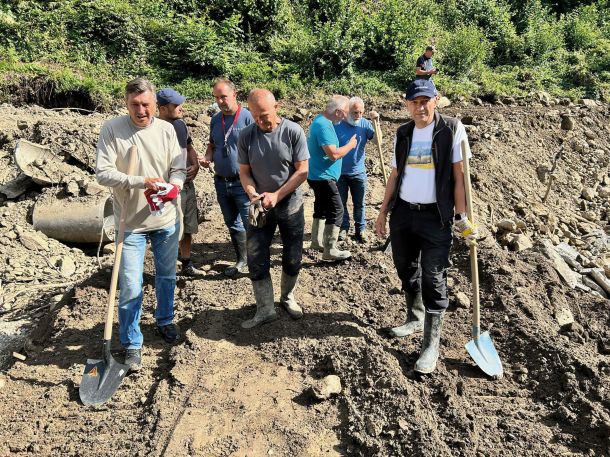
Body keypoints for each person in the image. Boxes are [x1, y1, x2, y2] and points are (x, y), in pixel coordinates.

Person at [375, 79, 477, 374]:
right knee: (405, 268)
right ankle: (414, 316)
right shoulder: (403, 132)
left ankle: (431, 344)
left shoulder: (451, 129)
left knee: (433, 277)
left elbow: (460, 177)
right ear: (406, 104)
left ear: (436, 100)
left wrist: (461, 216)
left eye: (425, 101)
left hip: (436, 217)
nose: (420, 107)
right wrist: (383, 212)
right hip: (404, 213)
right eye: (414, 102)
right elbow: (394, 175)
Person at [96, 78, 186, 371]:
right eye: (135, 104)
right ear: (126, 104)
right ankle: (132, 343)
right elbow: (103, 174)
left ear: (154, 105)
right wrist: (138, 182)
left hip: (165, 219)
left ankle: (165, 320)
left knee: (166, 276)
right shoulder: (113, 130)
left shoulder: (167, 130)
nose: (141, 110)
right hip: (131, 223)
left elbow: (178, 167)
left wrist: (174, 185)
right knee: (131, 285)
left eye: (146, 104)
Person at [238, 89, 309, 329]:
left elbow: (302, 171)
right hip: (260, 206)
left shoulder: (292, 132)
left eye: (265, 115)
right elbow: (244, 172)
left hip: (289, 204)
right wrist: (252, 194)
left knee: (292, 256)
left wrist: (277, 195)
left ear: (277, 107)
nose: (261, 122)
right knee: (256, 257)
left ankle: (287, 297)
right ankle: (265, 308)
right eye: (255, 116)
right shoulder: (246, 135)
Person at [199, 79, 254, 277]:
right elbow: (213, 145)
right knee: (232, 223)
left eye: (223, 96)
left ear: (234, 94)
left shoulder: (248, 117)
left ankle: (257, 261)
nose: (220, 101)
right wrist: (206, 157)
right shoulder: (215, 119)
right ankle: (242, 260)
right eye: (216, 98)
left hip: (243, 183)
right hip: (221, 181)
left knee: (252, 224)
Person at [157, 88, 203, 276]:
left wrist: (195, 164)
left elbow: (189, 146)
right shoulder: (155, 129)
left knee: (187, 225)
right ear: (162, 108)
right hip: (168, 186)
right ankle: (166, 266)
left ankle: (186, 262)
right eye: (176, 105)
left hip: (186, 183)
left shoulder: (180, 125)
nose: (181, 108)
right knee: (168, 227)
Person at [307, 95, 357, 260]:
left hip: (316, 174)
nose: (345, 117)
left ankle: (316, 241)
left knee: (321, 207)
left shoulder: (320, 121)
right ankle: (330, 250)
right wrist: (350, 145)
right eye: (345, 113)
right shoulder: (324, 126)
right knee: (337, 210)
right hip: (323, 177)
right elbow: (334, 154)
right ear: (338, 112)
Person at [334, 96, 379, 242]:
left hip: (358, 172)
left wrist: (376, 122)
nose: (358, 116)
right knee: (341, 203)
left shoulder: (365, 124)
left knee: (359, 203)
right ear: (347, 111)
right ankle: (344, 228)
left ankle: (360, 230)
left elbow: (379, 142)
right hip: (340, 172)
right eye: (354, 113)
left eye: (360, 112)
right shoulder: (337, 124)